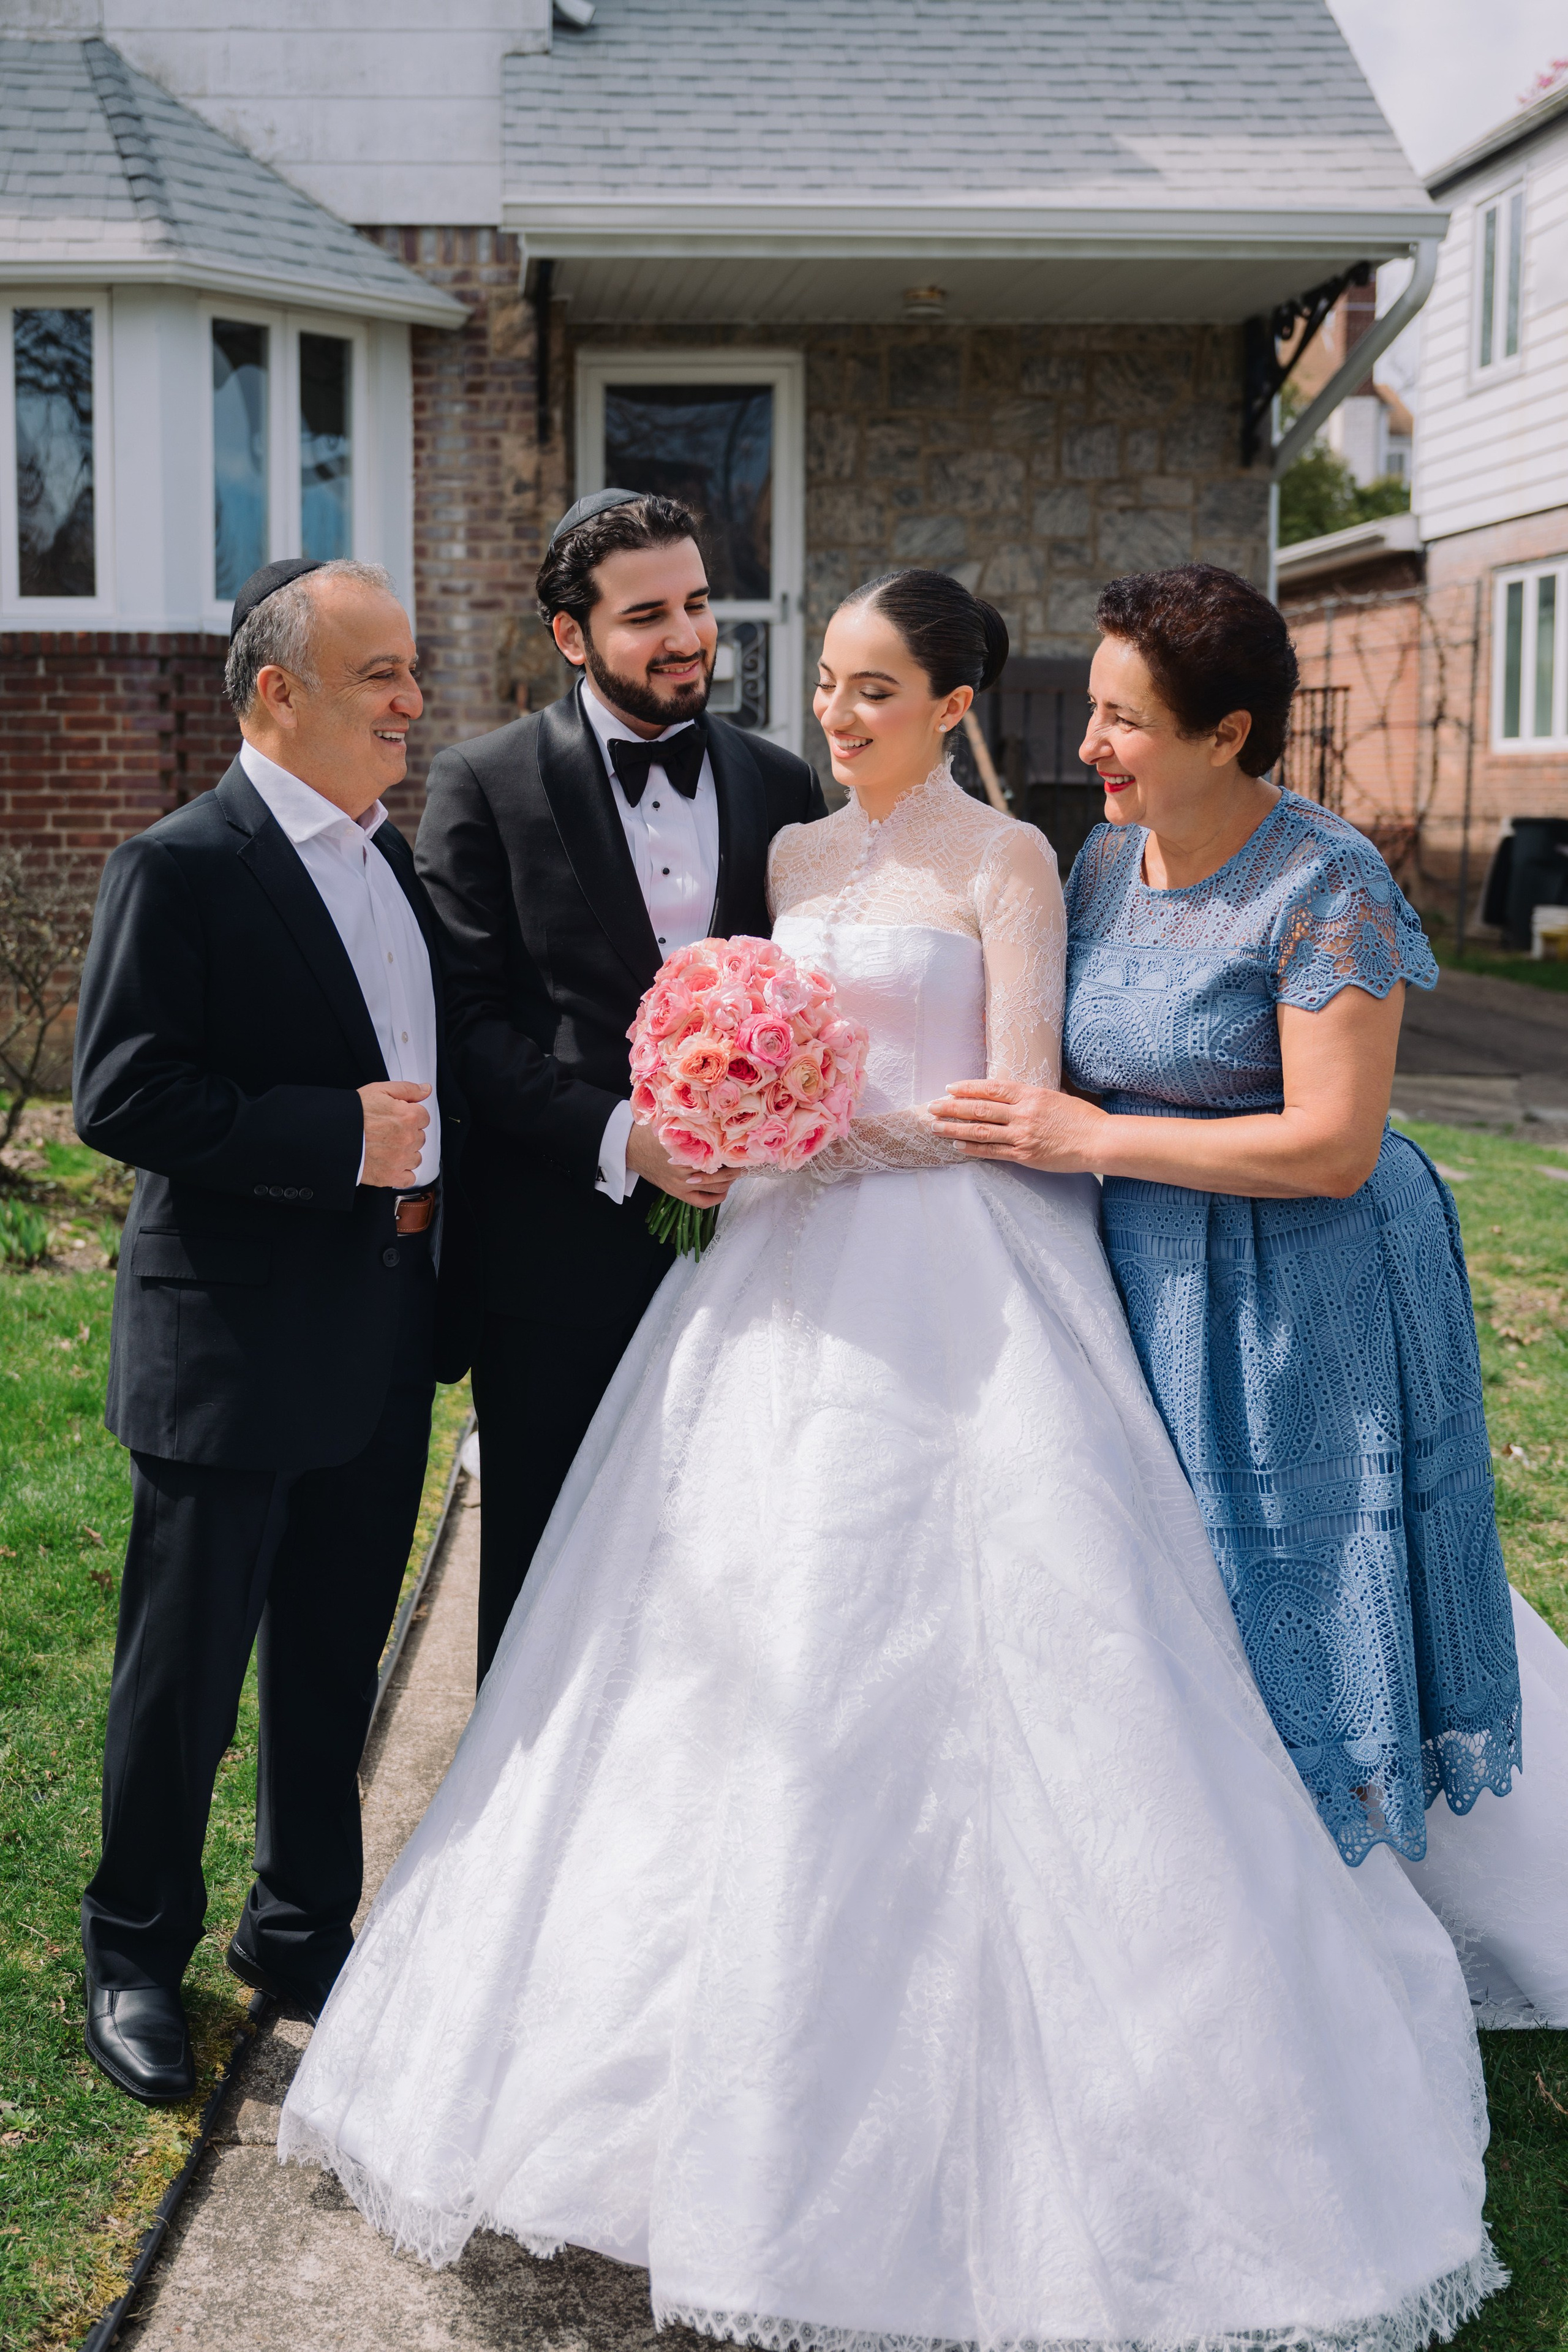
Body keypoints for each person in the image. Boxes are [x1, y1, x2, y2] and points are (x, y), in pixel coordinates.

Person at [281, 570, 1502, 2352]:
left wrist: (805, 1119)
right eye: (828, 687)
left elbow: (1016, 1100)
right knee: (713, 1649)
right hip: (780, 1277)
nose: (833, 717)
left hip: (962, 1274)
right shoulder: (791, 864)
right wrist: (725, 1109)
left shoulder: (1016, 868)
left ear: (952, 702)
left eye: (871, 690)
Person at [933, 562, 1567, 2027]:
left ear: (1226, 734)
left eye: (1122, 722)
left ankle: (1353, 1916)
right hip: (1156, 1278)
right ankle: (1214, 1908)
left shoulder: (1326, 881)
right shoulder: (1102, 860)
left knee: (1304, 1563)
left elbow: (1333, 1144)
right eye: (1089, 711)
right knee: (1182, 1580)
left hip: (1314, 1285)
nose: (1089, 746)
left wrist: (1091, 1140)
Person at [74, 557, 478, 2104]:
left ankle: (301, 1931)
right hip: (231, 1351)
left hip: (382, 1333)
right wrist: (331, 1136)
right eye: (380, 674)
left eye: (410, 672)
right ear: (276, 694)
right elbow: (119, 1093)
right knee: (180, 1680)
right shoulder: (180, 865)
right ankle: (134, 1958)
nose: (409, 702)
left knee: (330, 1661)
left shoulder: (394, 867)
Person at [415, 489, 825, 1683]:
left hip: (749, 1258)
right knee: (545, 1575)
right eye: (646, 614)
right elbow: (467, 1023)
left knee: (735, 1561)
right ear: (567, 634)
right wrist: (621, 1141)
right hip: (552, 1261)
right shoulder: (483, 783)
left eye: (697, 603)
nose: (688, 635)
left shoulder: (778, 782)